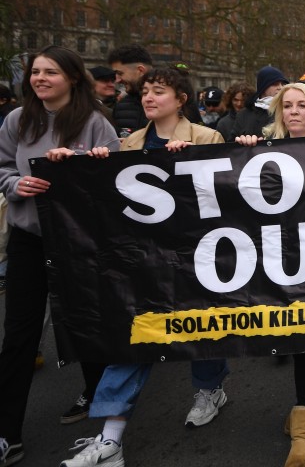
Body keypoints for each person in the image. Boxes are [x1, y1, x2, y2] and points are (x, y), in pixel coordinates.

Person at [61, 66, 228, 467]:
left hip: (196, 254)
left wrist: (190, 163)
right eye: (145, 93)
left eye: (159, 92)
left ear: (181, 99)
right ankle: (110, 438)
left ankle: (209, 390)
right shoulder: (130, 141)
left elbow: (226, 195)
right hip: (146, 258)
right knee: (137, 333)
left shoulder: (206, 137)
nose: (149, 99)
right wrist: (94, 163)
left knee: (202, 324)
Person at [0, 46, 119, 467]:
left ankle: (105, 425)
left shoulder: (96, 124)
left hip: (77, 242)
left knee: (85, 326)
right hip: (29, 240)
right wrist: (16, 185)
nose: (40, 78)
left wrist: (86, 164)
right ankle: (6, 433)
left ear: (71, 77)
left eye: (50, 72)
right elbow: (2, 169)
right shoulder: (17, 119)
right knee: (19, 335)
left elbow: (115, 183)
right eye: (35, 72)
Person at [236, 82, 305, 467]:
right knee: (289, 331)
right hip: (278, 256)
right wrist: (242, 151)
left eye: (302, 105)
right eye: (287, 106)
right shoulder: (262, 148)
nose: (294, 112)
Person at [106, 44, 153, 138]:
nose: (117, 80)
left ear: (140, 70)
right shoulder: (121, 106)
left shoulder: (171, 106)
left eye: (120, 73)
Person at [231, 66, 288, 139]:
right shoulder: (243, 115)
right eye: (275, 84)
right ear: (263, 87)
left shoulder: (286, 111)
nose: (280, 87)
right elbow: (232, 144)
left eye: (283, 84)